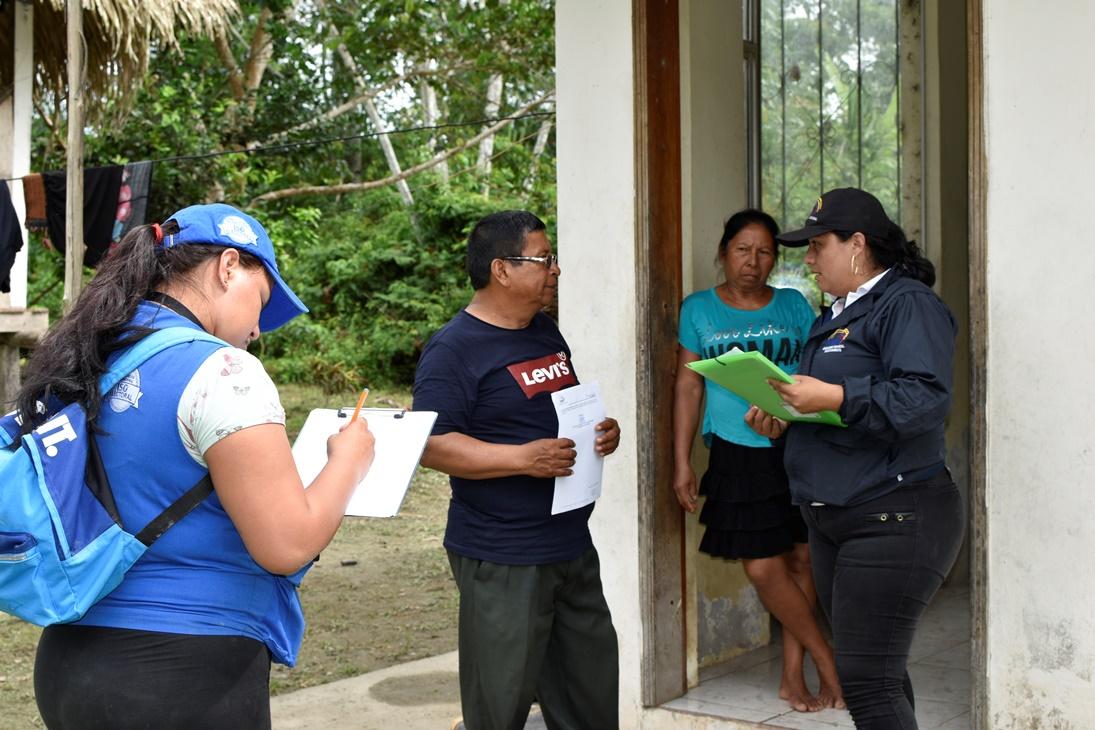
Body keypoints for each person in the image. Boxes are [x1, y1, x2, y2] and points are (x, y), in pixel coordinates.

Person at [27, 203, 376, 729]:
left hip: (69, 665)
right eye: (261, 302)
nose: (258, 330)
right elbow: (286, 543)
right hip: (186, 672)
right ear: (228, 265)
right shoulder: (225, 370)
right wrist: (348, 462)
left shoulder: (88, 355)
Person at [746, 187, 964, 728]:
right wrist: (784, 417)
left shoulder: (907, 303)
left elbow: (925, 400)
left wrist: (836, 396)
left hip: (894, 511)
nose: (809, 260)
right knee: (879, 673)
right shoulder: (836, 314)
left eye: (818, 246)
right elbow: (832, 412)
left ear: (858, 245)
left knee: (865, 680)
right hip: (832, 514)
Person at [412, 210, 622, 730]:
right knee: (498, 709)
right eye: (544, 259)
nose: (555, 270)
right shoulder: (453, 349)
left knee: (590, 701)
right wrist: (521, 459)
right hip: (503, 556)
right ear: (501, 269)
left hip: (570, 546)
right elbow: (431, 445)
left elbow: (558, 412)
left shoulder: (546, 333)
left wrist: (598, 432)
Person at [672, 208, 843, 712]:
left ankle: (793, 676)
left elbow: (816, 368)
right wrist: (682, 460)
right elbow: (687, 384)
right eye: (742, 250)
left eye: (765, 251)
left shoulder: (794, 304)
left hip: (799, 444)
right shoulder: (699, 309)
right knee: (764, 566)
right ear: (723, 253)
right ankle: (826, 659)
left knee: (802, 558)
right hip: (735, 448)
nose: (753, 261)